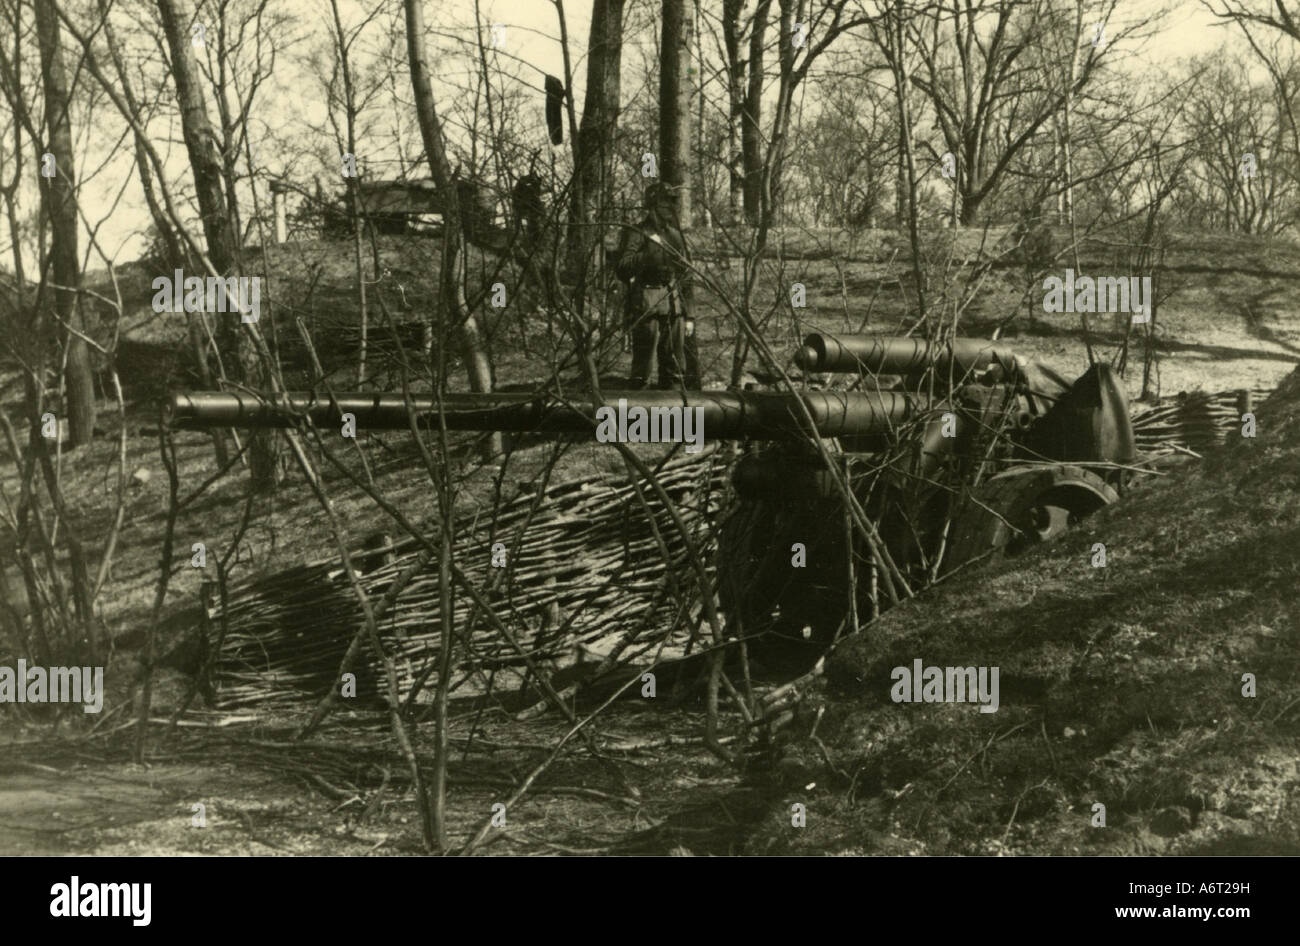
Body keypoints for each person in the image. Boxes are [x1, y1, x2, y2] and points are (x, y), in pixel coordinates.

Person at [613, 182, 700, 389]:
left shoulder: (675, 235)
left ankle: (676, 414)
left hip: (673, 303)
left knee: (675, 368)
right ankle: (640, 414)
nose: (669, 208)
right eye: (664, 204)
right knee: (642, 368)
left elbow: (685, 274)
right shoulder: (637, 232)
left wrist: (690, 315)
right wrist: (649, 252)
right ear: (652, 206)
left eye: (671, 203)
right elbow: (623, 267)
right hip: (646, 303)